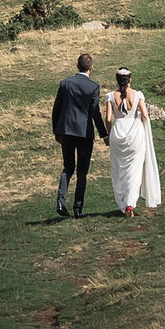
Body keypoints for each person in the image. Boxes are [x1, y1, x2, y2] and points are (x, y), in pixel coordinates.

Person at [51, 52, 111, 218]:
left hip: (67, 131)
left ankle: (61, 198)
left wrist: (57, 131)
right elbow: (95, 113)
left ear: (77, 66)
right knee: (82, 171)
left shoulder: (65, 84)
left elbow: (56, 109)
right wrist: (104, 135)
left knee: (68, 167)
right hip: (84, 133)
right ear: (91, 68)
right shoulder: (93, 87)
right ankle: (78, 208)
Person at [104, 67, 162, 216]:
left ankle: (124, 203)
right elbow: (144, 115)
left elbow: (108, 118)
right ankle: (129, 204)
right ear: (130, 79)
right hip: (134, 134)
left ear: (117, 80)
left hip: (117, 133)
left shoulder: (110, 96)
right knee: (134, 171)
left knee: (119, 170)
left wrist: (109, 134)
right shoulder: (138, 95)